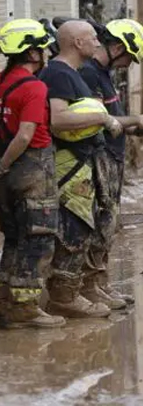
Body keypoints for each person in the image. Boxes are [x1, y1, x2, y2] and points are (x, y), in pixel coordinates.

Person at [80, 18, 143, 310]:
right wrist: (135, 120)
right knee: (100, 223)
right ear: (117, 46)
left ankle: (98, 284)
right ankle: (89, 287)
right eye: (130, 58)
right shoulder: (89, 75)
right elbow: (96, 121)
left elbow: (114, 119)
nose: (130, 65)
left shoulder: (104, 74)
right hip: (98, 157)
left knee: (108, 225)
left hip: (113, 157)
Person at [39, 20, 122, 319]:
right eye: (92, 39)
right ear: (76, 43)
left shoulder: (69, 74)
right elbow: (57, 120)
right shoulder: (59, 74)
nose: (98, 44)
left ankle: (72, 291)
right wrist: (100, 119)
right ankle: (63, 297)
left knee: (83, 227)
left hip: (79, 163)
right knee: (73, 229)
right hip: (67, 166)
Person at [0, 19, 64, 328]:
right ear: (32, 53)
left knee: (13, 237)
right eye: (42, 48)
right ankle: (24, 309)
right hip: (31, 169)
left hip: (6, 173)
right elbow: (25, 135)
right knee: (38, 238)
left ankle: (5, 303)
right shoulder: (34, 88)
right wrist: (6, 161)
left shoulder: (2, 81)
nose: (45, 54)